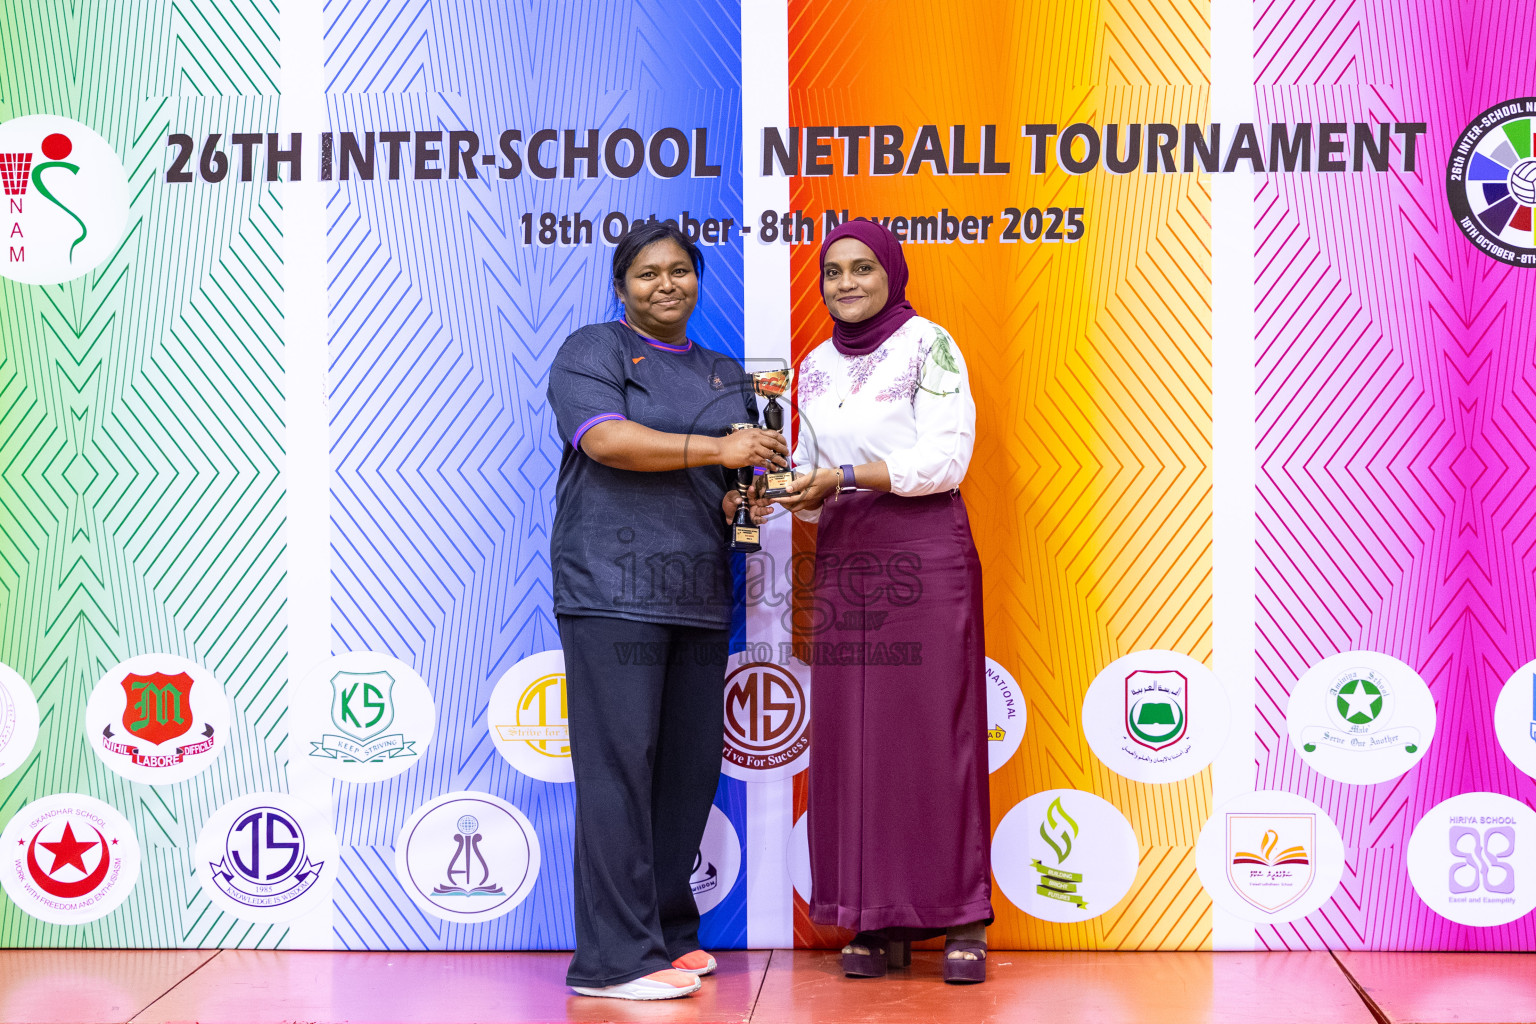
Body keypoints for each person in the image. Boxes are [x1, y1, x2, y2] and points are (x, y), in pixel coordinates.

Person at [546, 221, 784, 1000]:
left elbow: (730, 490)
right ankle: (611, 963)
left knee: (684, 773)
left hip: (696, 593)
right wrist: (719, 451)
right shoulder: (595, 351)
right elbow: (607, 441)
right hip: (611, 589)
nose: (665, 284)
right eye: (647, 273)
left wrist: (749, 495)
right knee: (619, 770)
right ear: (622, 287)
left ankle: (667, 935)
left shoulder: (726, 374)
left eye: (680, 271)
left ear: (696, 281)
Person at [773, 219, 992, 983]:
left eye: (863, 268)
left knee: (934, 732)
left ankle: (962, 916)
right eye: (833, 272)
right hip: (845, 560)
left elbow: (945, 457)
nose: (846, 283)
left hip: (924, 552)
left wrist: (845, 478)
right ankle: (876, 917)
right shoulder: (814, 365)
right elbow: (810, 474)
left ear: (892, 273)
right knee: (858, 743)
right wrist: (787, 487)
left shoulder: (928, 344)